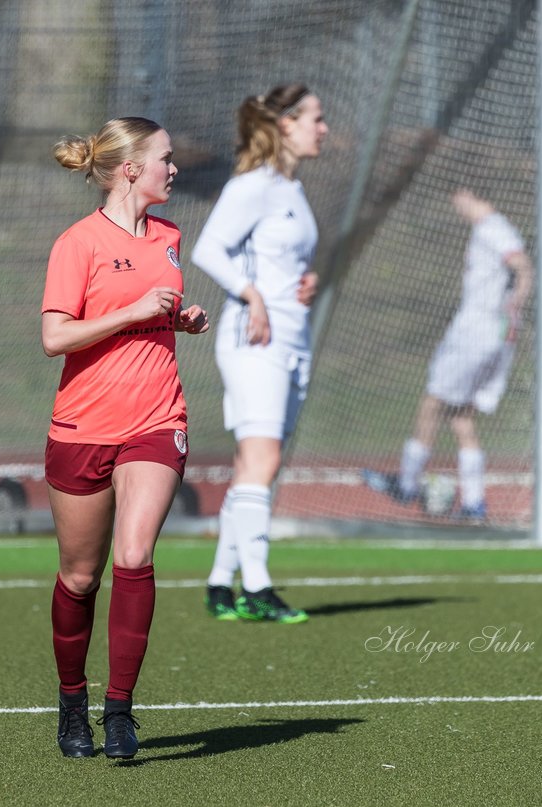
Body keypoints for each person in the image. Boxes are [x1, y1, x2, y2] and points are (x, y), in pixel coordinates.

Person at [43, 116, 209, 760]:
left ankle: (119, 711)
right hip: (83, 426)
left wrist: (180, 321)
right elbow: (55, 337)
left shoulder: (168, 235)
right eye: (166, 158)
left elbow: (154, 315)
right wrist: (131, 314)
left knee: (134, 557)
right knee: (80, 578)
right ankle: (71, 706)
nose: (175, 168)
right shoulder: (76, 243)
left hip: (156, 420)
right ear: (132, 168)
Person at [192, 83, 328, 624]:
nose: (324, 128)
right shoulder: (254, 184)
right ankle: (259, 587)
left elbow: (277, 260)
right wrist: (251, 295)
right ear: (286, 123)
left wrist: (303, 282)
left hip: (291, 338)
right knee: (263, 459)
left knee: (254, 465)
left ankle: (220, 585)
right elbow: (208, 248)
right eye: (316, 118)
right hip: (255, 342)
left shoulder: (290, 188)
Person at [363, 188, 532, 520]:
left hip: (477, 332)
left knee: (432, 403)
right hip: (494, 336)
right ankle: (474, 503)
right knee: (460, 415)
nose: (457, 206)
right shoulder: (494, 229)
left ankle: (408, 483)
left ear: (470, 195)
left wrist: (513, 305)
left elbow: (523, 267)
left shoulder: (492, 228)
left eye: (458, 198)